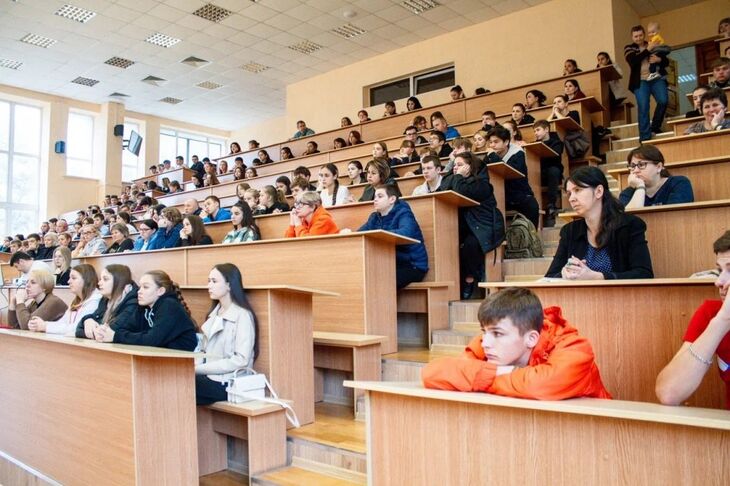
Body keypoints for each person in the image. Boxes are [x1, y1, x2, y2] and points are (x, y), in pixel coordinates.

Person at [422, 287, 611, 400]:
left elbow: (539, 386)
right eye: (484, 331)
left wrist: (480, 378)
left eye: (497, 333)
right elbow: (432, 373)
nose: (485, 342)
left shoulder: (574, 347)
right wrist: (504, 372)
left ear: (531, 338)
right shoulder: (487, 342)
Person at [656, 231, 730, 408]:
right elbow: (669, 393)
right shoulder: (713, 313)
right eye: (720, 271)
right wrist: (723, 320)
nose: (719, 281)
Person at [545, 166, 654, 280]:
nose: (572, 198)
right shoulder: (570, 231)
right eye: (569, 193)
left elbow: (644, 274)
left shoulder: (630, 225)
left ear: (598, 191)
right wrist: (564, 273)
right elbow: (550, 276)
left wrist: (597, 277)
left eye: (578, 190)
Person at [438, 152, 505, 299]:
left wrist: (458, 176)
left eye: (460, 165)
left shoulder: (483, 185)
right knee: (446, 243)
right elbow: (442, 189)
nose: (456, 168)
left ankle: (470, 278)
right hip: (465, 224)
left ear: (470, 167)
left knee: (470, 244)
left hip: (484, 224)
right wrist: (456, 176)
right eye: (454, 165)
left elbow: (462, 192)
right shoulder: (454, 179)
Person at [195, 263, 259, 405]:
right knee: (175, 381)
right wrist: (192, 368)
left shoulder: (242, 315)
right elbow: (203, 352)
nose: (209, 286)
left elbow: (240, 360)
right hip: (209, 377)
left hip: (228, 382)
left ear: (229, 285)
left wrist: (198, 369)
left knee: (180, 385)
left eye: (214, 281)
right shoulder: (213, 314)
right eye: (208, 281)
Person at [93, 270, 197, 351]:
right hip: (157, 358)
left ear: (160, 291)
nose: (139, 291)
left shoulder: (169, 305)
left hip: (179, 362)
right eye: (140, 287)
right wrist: (104, 332)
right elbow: (124, 328)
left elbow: (152, 339)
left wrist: (115, 336)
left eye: (145, 287)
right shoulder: (144, 307)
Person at [353, 183, 429, 287]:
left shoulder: (404, 213)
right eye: (375, 197)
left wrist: (379, 235)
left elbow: (406, 233)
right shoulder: (374, 217)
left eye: (380, 196)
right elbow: (360, 234)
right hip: (389, 263)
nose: (375, 200)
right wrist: (350, 234)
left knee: (380, 282)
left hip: (412, 265)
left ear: (392, 199)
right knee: (359, 276)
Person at [487, 126, 540, 228]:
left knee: (532, 205)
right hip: (497, 195)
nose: (492, 145)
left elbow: (509, 172)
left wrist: (494, 157)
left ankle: (531, 236)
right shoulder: (490, 156)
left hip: (518, 193)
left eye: (496, 142)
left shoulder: (518, 153)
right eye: (490, 142)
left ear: (506, 142)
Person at [28, 264, 101, 336]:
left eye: (73, 278)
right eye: (69, 278)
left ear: (86, 280)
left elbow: (77, 328)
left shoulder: (95, 301)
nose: (68, 281)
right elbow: (63, 322)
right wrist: (43, 324)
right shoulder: (77, 301)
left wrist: (45, 326)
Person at [625, 25, 669, 141]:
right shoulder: (629, 48)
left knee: (663, 100)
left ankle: (655, 127)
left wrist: (659, 60)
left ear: (644, 35)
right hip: (640, 81)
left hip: (657, 78)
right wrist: (648, 50)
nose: (638, 38)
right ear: (632, 37)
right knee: (643, 106)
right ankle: (645, 137)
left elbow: (666, 61)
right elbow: (633, 61)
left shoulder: (652, 42)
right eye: (636, 36)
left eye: (640, 35)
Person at [619, 145, 694, 208]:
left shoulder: (679, 183)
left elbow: (675, 215)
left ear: (659, 167)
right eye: (632, 166)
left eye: (641, 165)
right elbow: (629, 219)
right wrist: (640, 187)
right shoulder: (627, 193)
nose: (635, 170)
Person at [76, 264, 139, 339]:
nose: (99, 283)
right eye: (100, 279)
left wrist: (93, 331)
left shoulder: (133, 303)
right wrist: (87, 320)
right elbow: (78, 331)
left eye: (105, 279)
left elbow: (110, 332)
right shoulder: (105, 300)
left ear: (120, 282)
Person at [533, 120, 565, 227]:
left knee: (553, 171)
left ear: (546, 129)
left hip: (553, 174)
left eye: (538, 130)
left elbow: (556, 155)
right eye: (534, 131)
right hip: (540, 173)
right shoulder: (535, 144)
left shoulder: (556, 142)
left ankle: (551, 205)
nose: (536, 133)